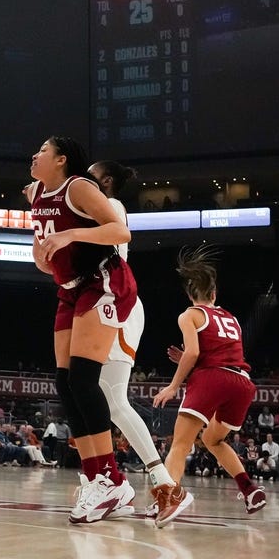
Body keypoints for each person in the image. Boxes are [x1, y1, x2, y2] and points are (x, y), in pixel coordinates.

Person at [26, 136, 140, 524]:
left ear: (61, 159)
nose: (34, 155)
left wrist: (70, 234)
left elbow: (120, 232)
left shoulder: (79, 187)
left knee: (84, 378)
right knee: (65, 381)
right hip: (70, 288)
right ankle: (101, 478)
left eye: (42, 150)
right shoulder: (38, 194)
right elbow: (46, 258)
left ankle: (109, 478)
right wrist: (41, 256)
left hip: (104, 280)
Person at [152, 246, 266, 528]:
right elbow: (220, 354)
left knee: (179, 444)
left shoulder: (189, 315)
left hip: (212, 377)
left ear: (191, 295)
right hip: (242, 382)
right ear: (214, 295)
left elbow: (192, 354)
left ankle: (168, 498)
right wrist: (198, 363)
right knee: (213, 440)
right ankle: (250, 491)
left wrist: (173, 385)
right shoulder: (232, 319)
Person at [88, 160, 177, 509]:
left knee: (113, 400)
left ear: (106, 181)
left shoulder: (110, 206)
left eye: (91, 175)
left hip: (117, 304)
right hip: (104, 303)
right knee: (94, 398)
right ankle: (105, 477)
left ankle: (162, 481)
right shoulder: (100, 207)